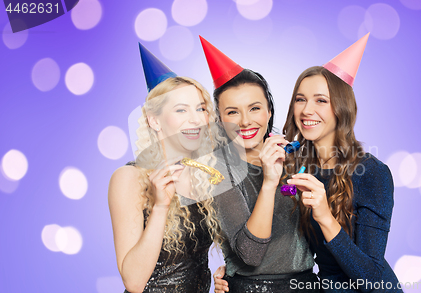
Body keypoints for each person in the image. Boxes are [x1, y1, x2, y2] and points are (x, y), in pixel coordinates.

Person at [284, 33, 403, 292]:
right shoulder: (296, 167)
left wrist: (326, 216)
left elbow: (371, 277)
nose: (306, 110)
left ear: (342, 108)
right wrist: (235, 270)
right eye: (300, 99)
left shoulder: (372, 173)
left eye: (321, 100)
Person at [200, 36, 318, 293]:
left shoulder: (298, 157)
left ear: (269, 111)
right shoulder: (218, 170)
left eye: (254, 108)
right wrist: (269, 182)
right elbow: (250, 254)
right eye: (232, 112)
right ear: (220, 119)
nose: (244, 121)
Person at [108, 44, 224, 293]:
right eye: (181, 109)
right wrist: (160, 206)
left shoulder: (203, 174)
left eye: (200, 108)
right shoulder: (129, 178)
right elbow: (134, 282)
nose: (195, 119)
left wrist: (224, 275)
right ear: (154, 120)